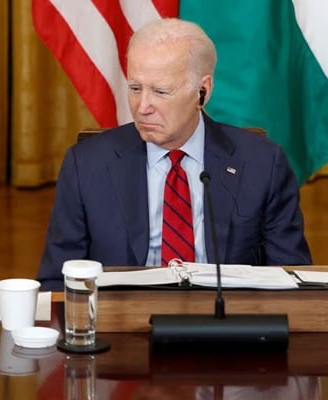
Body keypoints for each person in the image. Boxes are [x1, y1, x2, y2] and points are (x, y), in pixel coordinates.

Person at [37, 18, 312, 290]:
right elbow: (57, 282)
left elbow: (291, 279)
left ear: (202, 92)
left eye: (160, 91)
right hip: (120, 323)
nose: (143, 106)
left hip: (228, 323)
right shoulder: (87, 165)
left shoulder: (262, 164)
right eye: (135, 88)